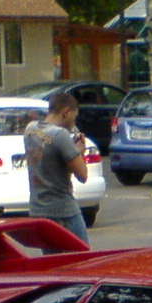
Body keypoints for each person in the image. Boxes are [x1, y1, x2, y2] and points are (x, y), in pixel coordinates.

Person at [24, 91, 91, 247]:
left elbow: (52, 164)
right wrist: (78, 152)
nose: (74, 122)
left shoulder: (30, 130)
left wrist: (70, 151)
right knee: (82, 256)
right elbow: (83, 175)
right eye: (74, 116)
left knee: (53, 259)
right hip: (64, 211)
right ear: (66, 112)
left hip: (38, 210)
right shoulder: (60, 135)